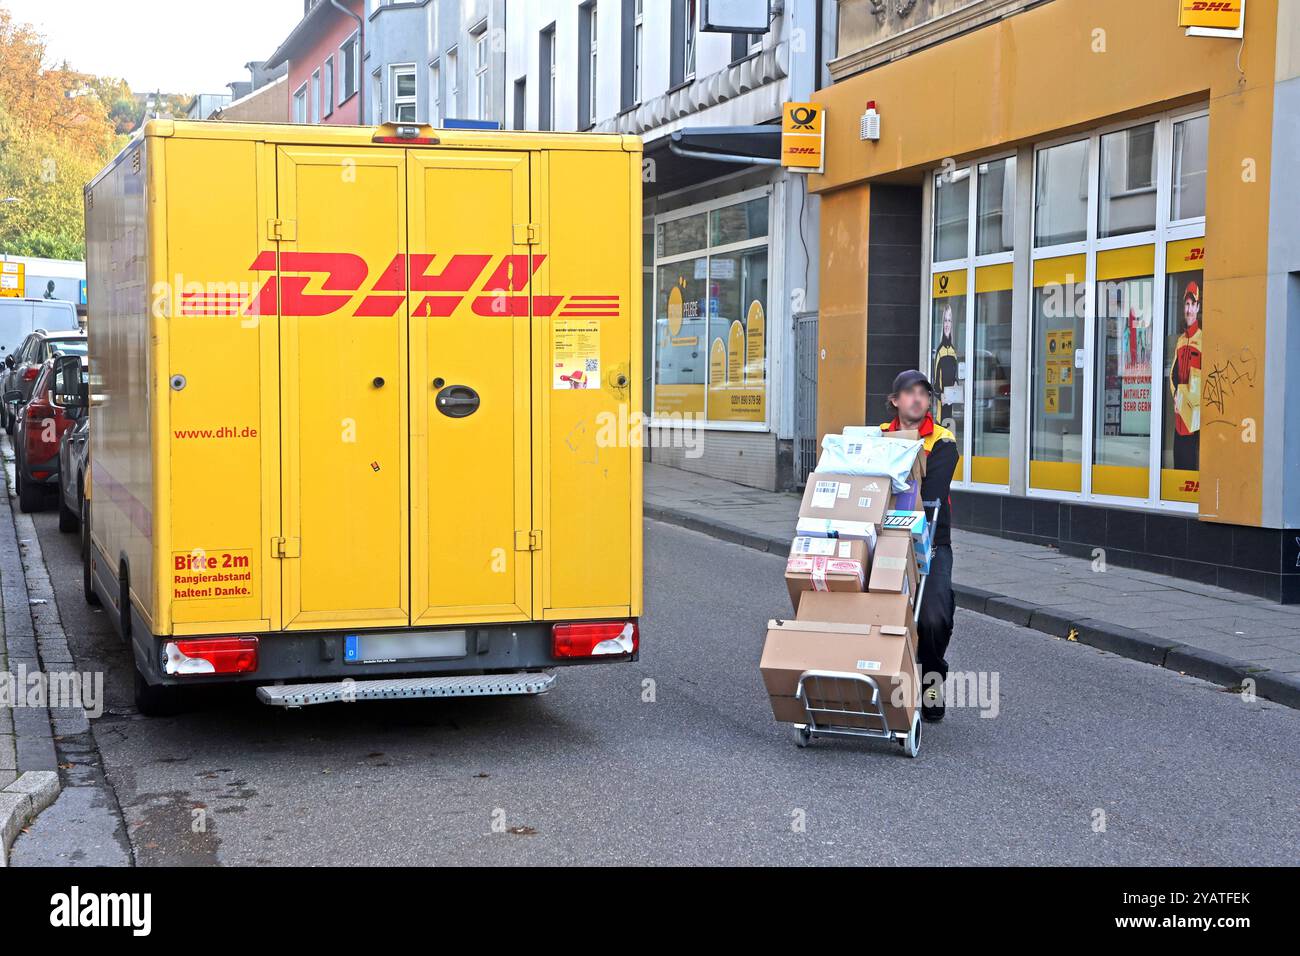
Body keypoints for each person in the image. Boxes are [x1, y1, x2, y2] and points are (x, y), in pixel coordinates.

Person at [881, 369, 959, 722]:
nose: (917, 399)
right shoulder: (878, 437)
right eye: (909, 393)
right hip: (882, 537)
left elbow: (929, 493)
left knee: (933, 616)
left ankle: (930, 679)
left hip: (930, 541)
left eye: (924, 394)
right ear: (895, 401)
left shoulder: (942, 441)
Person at [1168, 280, 1202, 471]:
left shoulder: (1203, 339)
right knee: (1178, 462)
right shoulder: (1180, 341)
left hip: (1195, 419)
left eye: (1192, 304)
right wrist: (1175, 396)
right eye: (1186, 305)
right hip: (1179, 414)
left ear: (1198, 307)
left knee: (1192, 463)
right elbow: (1172, 374)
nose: (1189, 310)